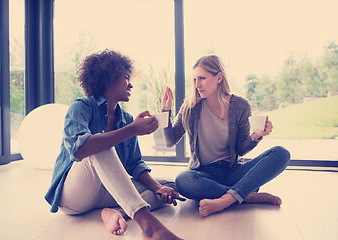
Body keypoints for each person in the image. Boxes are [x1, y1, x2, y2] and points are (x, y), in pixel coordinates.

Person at [45, 49, 183, 240]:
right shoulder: (81, 107)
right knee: (97, 145)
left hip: (107, 192)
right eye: (126, 77)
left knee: (169, 186)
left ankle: (116, 212)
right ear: (108, 79)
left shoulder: (126, 119)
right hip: (75, 196)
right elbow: (80, 149)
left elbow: (135, 164)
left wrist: (158, 188)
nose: (131, 84)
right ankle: (150, 227)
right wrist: (133, 129)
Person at [161, 55, 290, 218]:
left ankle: (224, 200)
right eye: (195, 79)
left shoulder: (240, 106)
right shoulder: (190, 107)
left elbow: (240, 150)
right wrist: (166, 111)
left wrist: (256, 136)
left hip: (232, 171)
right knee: (183, 180)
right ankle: (247, 196)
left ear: (219, 77)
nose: (197, 85)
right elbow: (170, 140)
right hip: (203, 174)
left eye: (202, 78)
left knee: (281, 153)